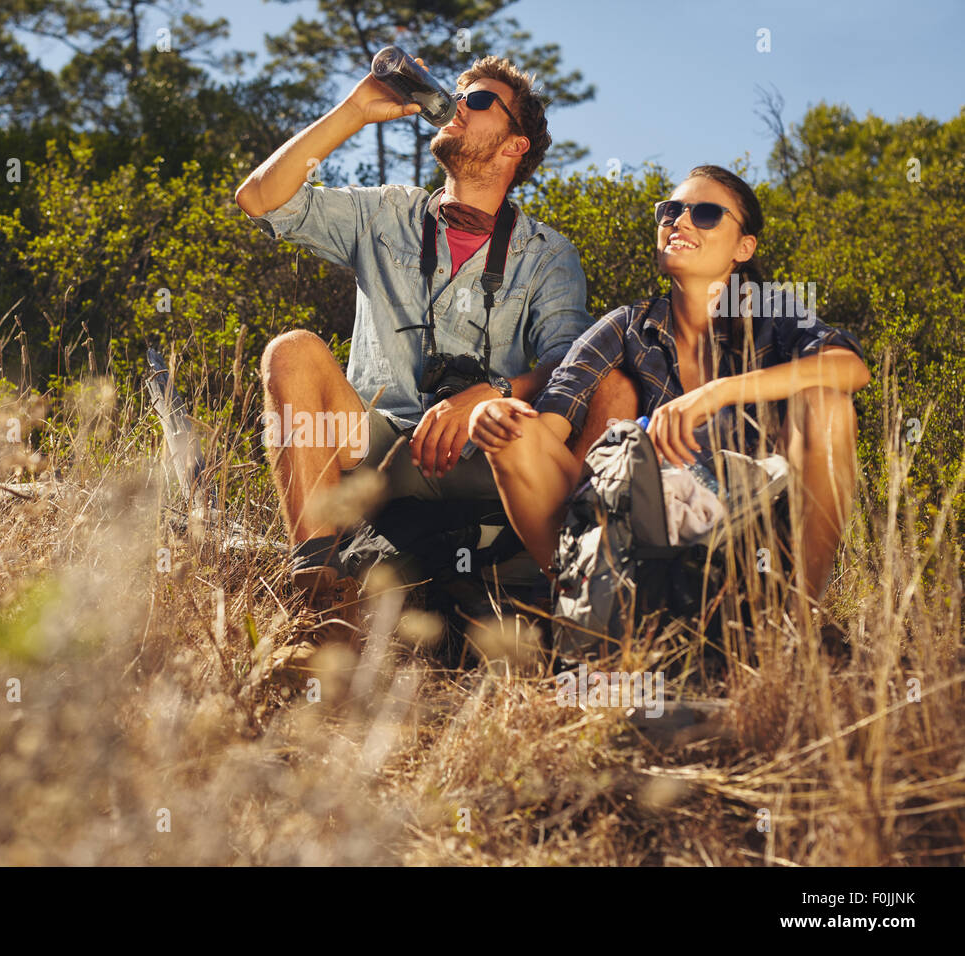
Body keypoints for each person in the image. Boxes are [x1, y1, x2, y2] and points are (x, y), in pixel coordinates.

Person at [235, 55, 638, 668]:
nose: (454, 105)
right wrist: (354, 110)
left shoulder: (547, 253)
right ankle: (318, 602)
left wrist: (488, 393)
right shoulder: (387, 212)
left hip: (481, 453)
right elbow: (261, 199)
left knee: (613, 388)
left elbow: (570, 361)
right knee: (292, 352)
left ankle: (581, 596)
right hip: (376, 447)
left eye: (477, 102)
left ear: (514, 145)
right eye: (454, 94)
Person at [469, 164, 871, 619]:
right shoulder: (627, 325)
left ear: (744, 247)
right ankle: (590, 613)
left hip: (754, 538)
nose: (679, 221)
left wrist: (719, 391)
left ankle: (796, 619)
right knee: (512, 436)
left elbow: (850, 367)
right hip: (645, 534)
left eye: (705, 213)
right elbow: (549, 426)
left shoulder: (773, 313)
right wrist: (497, 418)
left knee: (826, 404)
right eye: (671, 211)